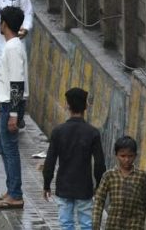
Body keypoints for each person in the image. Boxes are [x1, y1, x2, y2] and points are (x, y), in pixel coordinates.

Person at [43, 87, 106, 229]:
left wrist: (47, 184)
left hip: (64, 185)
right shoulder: (93, 133)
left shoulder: (58, 131)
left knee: (66, 223)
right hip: (84, 186)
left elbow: (50, 161)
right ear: (86, 106)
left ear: (67, 105)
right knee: (86, 224)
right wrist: (98, 185)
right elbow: (99, 163)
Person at [0, 6, 28, 210]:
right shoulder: (13, 45)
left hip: (12, 105)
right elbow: (5, 79)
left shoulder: (13, 47)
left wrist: (13, 114)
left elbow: (16, 82)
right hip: (6, 103)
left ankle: (16, 194)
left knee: (10, 149)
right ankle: (11, 189)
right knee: (3, 147)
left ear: (4, 23)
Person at [92, 136, 146, 230]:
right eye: (123, 156)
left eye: (130, 156)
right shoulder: (109, 175)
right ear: (116, 155)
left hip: (134, 224)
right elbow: (99, 201)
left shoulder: (141, 176)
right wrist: (95, 224)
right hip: (113, 223)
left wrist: (141, 222)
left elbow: (144, 202)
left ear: (135, 155)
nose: (126, 159)